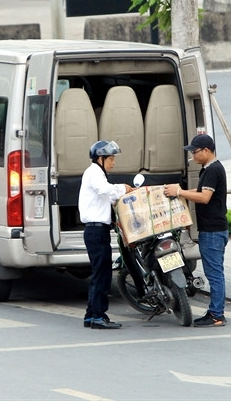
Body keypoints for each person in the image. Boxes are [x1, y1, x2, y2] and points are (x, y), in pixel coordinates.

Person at [164, 134, 229, 327]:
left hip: (213, 231)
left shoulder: (213, 170)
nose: (193, 155)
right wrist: (179, 191)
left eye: (195, 151)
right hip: (213, 230)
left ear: (206, 151)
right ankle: (216, 312)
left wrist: (180, 192)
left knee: (215, 274)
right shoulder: (208, 169)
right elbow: (199, 192)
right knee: (215, 272)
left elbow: (205, 197)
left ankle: (217, 314)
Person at [79, 140, 133, 330]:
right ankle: (98, 317)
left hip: (97, 230)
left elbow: (109, 196)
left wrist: (124, 194)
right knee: (101, 274)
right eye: (110, 158)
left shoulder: (97, 174)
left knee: (99, 273)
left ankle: (91, 315)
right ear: (100, 158)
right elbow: (106, 190)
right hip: (95, 230)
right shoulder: (94, 173)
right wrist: (123, 188)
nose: (113, 162)